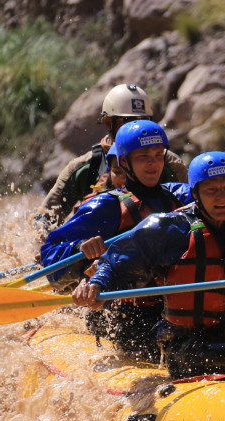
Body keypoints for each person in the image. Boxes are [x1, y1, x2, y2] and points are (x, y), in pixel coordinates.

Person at [72, 151, 225, 379]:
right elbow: (117, 260)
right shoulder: (171, 227)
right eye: (211, 190)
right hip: (186, 350)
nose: (221, 197)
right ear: (195, 194)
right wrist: (97, 284)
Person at [39, 120, 194, 361]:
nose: (153, 163)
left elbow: (216, 196)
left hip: (172, 306)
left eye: (157, 155)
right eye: (143, 156)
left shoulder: (179, 195)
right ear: (124, 162)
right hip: (123, 315)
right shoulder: (106, 206)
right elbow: (50, 255)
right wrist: (80, 248)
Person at [32, 83, 188, 235]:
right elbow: (44, 221)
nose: (136, 130)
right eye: (128, 123)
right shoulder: (83, 168)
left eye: (143, 122)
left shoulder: (170, 164)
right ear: (108, 123)